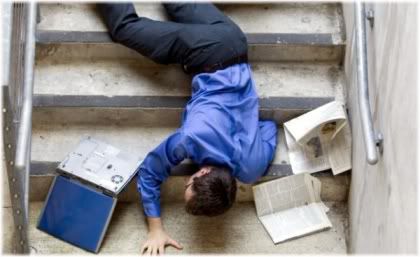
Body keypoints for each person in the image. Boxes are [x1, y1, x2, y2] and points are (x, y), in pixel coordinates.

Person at [98, 3, 277, 255]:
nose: (184, 181)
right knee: (125, 29)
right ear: (203, 171)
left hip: (235, 41)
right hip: (206, 52)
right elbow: (150, 173)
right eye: (188, 184)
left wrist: (242, 123)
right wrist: (155, 229)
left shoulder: (252, 168)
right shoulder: (191, 139)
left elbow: (268, 127)